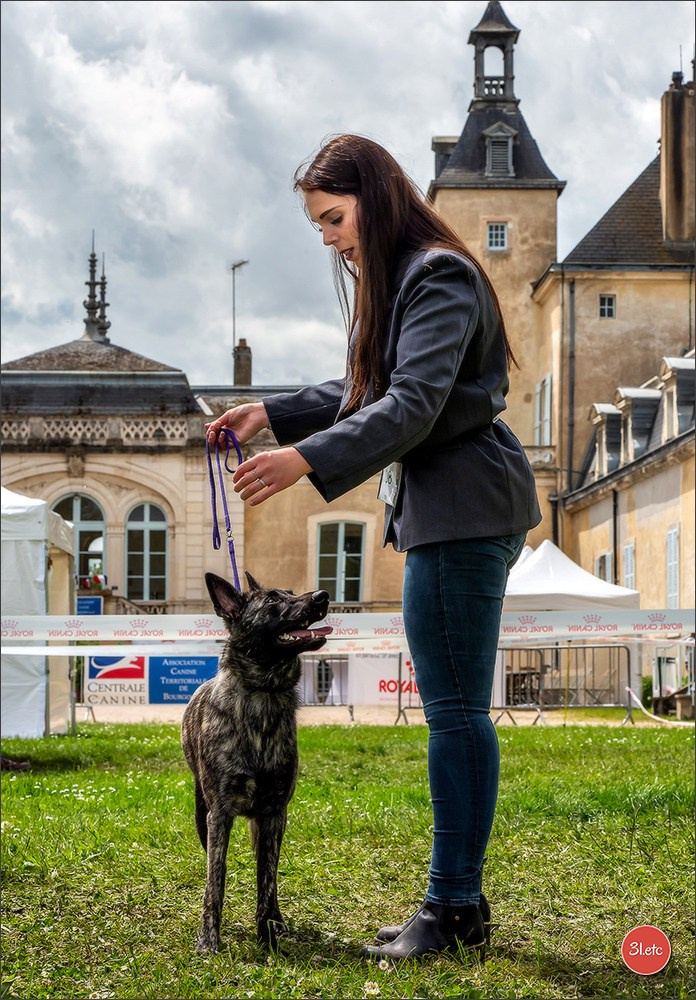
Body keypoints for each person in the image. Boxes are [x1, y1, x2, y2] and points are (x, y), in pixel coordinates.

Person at [206, 133, 541, 962]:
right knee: (454, 711)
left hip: (465, 509)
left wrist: (303, 458)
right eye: (319, 225)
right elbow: (371, 389)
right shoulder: (413, 278)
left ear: (375, 197)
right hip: (451, 510)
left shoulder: (438, 275)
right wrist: (272, 412)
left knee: (455, 715)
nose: (328, 239)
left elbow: (411, 404)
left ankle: (451, 908)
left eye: (333, 218)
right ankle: (459, 904)